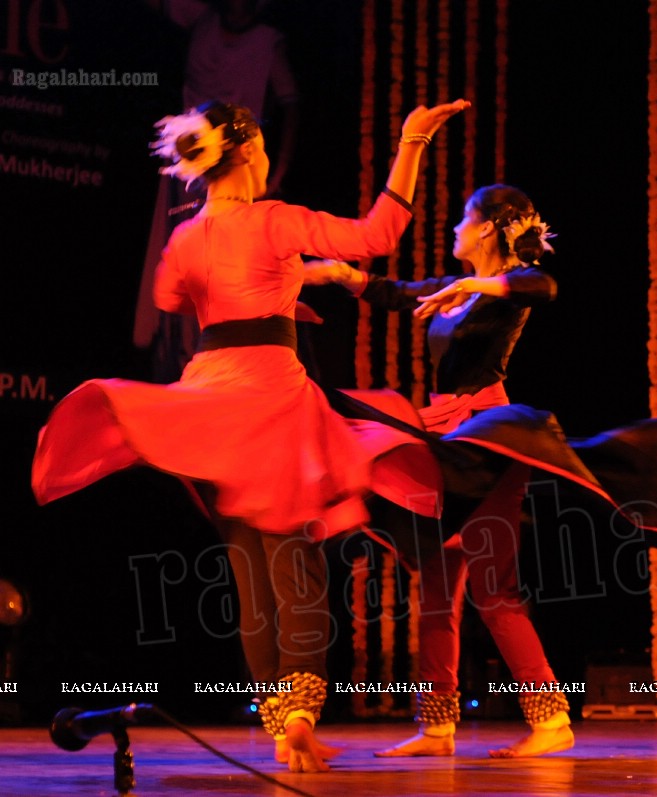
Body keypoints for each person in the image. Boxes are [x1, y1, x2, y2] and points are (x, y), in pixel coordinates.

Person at [32, 98, 470, 772]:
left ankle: (278, 722)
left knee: (249, 573)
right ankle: (296, 715)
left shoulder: (187, 236)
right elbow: (378, 233)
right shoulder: (275, 219)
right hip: (271, 396)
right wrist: (409, 144)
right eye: (263, 146)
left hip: (210, 398)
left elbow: (171, 299)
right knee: (294, 563)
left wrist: (282, 279)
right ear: (249, 153)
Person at [308, 184, 657, 758]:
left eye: (463, 219)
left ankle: (551, 718)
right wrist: (340, 275)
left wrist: (477, 283)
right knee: (435, 585)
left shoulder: (504, 289)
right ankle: (437, 725)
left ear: (487, 229)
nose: (455, 228)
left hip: (491, 440)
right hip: (444, 435)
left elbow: (545, 285)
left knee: (494, 589)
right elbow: (393, 292)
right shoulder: (452, 291)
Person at [135, 0, 302, 381]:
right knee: (192, 260)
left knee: (239, 260)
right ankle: (178, 354)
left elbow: (291, 103)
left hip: (243, 171)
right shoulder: (201, 21)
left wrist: (277, 171)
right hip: (201, 172)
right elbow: (168, 296)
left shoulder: (266, 40)